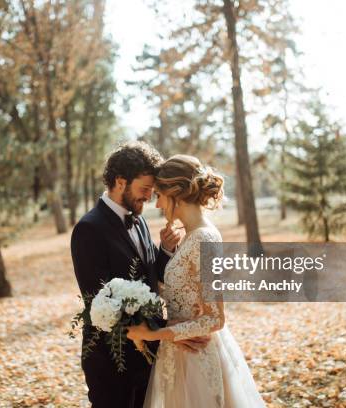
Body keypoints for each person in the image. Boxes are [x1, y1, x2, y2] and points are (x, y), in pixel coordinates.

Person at [71, 142, 209, 408]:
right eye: (144, 189)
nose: (149, 197)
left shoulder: (141, 220)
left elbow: (147, 279)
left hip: (149, 356)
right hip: (112, 360)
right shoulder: (88, 229)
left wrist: (165, 251)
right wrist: (168, 331)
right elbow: (100, 302)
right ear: (121, 182)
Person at [127, 154, 267, 407]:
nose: (157, 205)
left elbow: (215, 318)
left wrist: (156, 334)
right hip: (178, 355)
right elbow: (181, 292)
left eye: (159, 195)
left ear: (176, 193)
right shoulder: (189, 237)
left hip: (196, 359)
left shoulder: (205, 239)